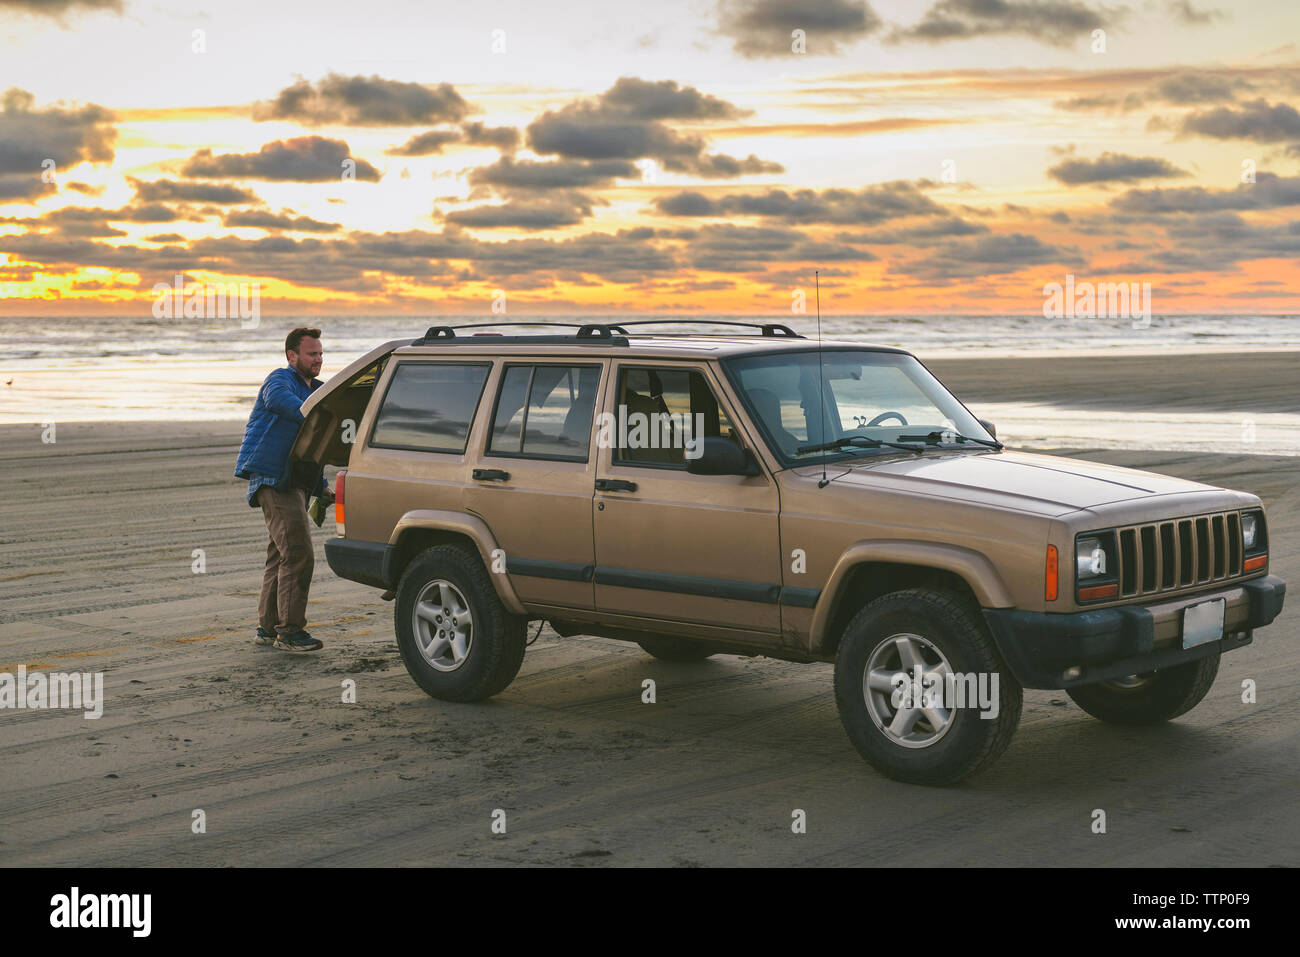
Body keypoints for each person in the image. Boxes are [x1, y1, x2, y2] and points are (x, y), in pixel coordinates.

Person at [234, 327, 333, 652]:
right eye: (311, 353)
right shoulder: (280, 379)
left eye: (320, 353)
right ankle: (289, 632)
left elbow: (312, 447)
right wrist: (314, 411)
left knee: (280, 556)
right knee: (298, 553)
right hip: (274, 479)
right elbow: (279, 402)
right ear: (292, 356)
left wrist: (322, 488)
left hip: (297, 481)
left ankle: (267, 629)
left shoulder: (317, 390)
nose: (318, 359)